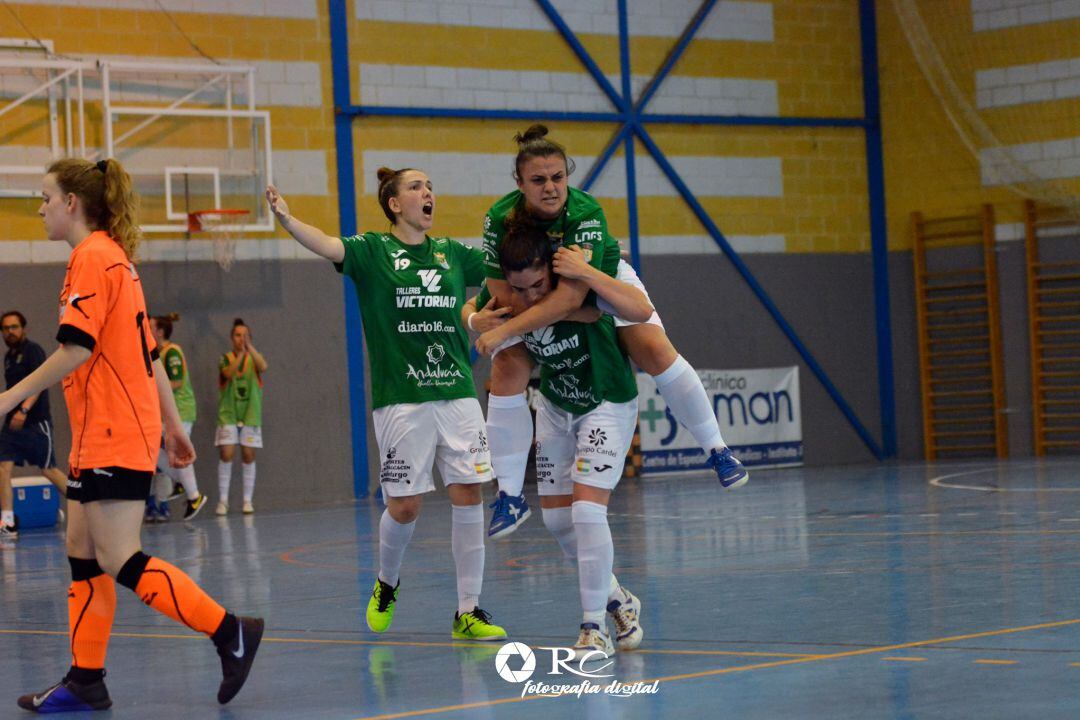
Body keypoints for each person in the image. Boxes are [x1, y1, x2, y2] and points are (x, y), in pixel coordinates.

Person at [0, 157, 262, 713]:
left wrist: (8, 397)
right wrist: (170, 426)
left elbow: (76, 349)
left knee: (120, 557)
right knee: (81, 550)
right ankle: (86, 679)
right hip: (106, 430)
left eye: (46, 197)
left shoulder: (94, 257)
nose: (41, 208)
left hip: (115, 430)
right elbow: (146, 356)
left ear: (72, 202)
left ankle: (230, 631)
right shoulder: (111, 260)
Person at [265, 168, 507, 642]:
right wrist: (290, 221)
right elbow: (329, 245)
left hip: (456, 390)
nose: (427, 192)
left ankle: (468, 610)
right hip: (403, 399)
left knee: (468, 493)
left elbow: (502, 273)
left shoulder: (453, 254)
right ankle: (386, 581)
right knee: (405, 506)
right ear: (395, 204)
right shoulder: (374, 251)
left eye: (430, 186)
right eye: (416, 187)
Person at [473, 124, 748, 540]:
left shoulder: (585, 213)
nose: (551, 188)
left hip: (596, 283)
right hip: (535, 292)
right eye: (538, 180)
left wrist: (509, 326)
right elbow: (498, 291)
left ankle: (718, 449)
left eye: (558, 177)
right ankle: (510, 495)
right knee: (508, 363)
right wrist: (491, 324)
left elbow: (574, 299)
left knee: (650, 345)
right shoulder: (499, 218)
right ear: (520, 183)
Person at [467, 221, 649, 658]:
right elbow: (473, 307)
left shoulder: (580, 287)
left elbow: (604, 309)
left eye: (537, 285)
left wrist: (531, 315)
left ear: (552, 269)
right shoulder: (512, 294)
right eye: (519, 289)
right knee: (558, 522)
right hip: (555, 404)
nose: (529, 297)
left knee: (587, 511)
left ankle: (593, 627)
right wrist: (476, 318)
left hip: (604, 400)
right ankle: (619, 599)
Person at [1, 311, 68, 539]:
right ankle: (8, 521)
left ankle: (85, 503)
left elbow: (40, 383)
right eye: (6, 328)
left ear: (23, 328)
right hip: (12, 425)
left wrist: (23, 410)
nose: (10, 332)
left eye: (14, 327)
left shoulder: (33, 351)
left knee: (48, 469)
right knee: (3, 467)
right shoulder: (9, 357)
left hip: (35, 421)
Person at [150, 313, 206, 521]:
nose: (148, 331)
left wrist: (149, 392)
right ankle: (185, 486)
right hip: (170, 412)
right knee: (156, 452)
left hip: (180, 410)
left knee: (170, 452)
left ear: (160, 332)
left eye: (151, 327)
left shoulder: (172, 352)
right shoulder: (160, 352)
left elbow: (177, 383)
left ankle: (193, 495)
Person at [215, 318, 267, 516]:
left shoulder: (255, 357)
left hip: (250, 414)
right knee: (226, 454)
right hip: (228, 414)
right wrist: (241, 354)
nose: (241, 339)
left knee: (248, 455)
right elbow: (228, 373)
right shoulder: (225, 358)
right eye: (238, 335)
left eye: (245, 335)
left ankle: (247, 500)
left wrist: (249, 349)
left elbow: (263, 367)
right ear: (231, 338)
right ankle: (223, 501)